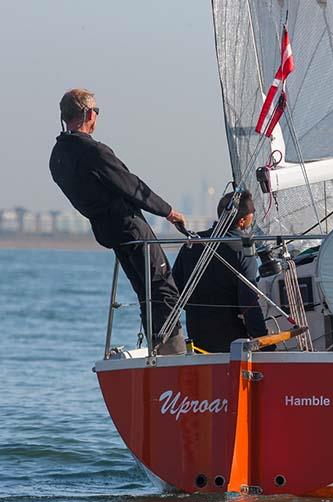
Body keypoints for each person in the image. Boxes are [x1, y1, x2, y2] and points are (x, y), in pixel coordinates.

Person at [49, 88, 187, 355]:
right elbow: (131, 186)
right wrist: (168, 212)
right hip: (129, 226)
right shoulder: (93, 151)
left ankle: (159, 350)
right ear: (89, 114)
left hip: (108, 232)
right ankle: (172, 355)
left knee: (145, 292)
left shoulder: (57, 156)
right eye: (97, 112)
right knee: (164, 289)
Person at [172, 191, 269, 353]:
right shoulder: (243, 251)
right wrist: (265, 342)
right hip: (232, 343)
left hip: (197, 340)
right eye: (253, 214)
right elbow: (249, 303)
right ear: (243, 220)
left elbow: (175, 290)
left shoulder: (192, 244)